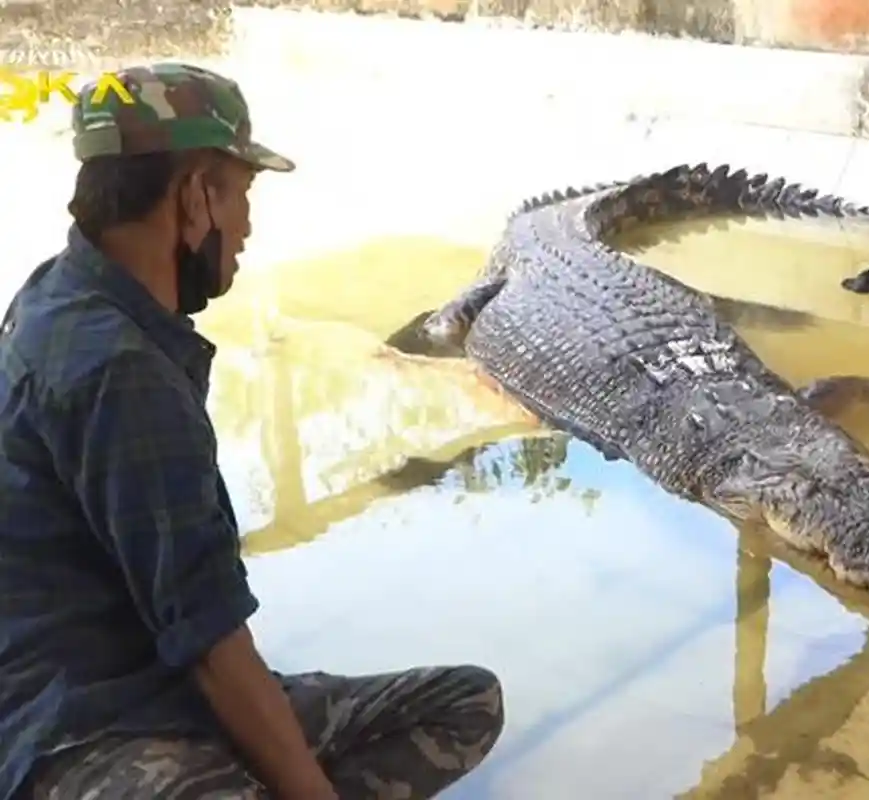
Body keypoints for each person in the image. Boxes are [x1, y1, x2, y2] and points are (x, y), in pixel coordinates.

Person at [0, 63, 504, 799]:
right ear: (195, 194)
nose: (245, 227)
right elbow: (209, 643)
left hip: (151, 684)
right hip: (78, 727)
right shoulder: (122, 370)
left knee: (463, 704)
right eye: (241, 195)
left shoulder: (58, 292)